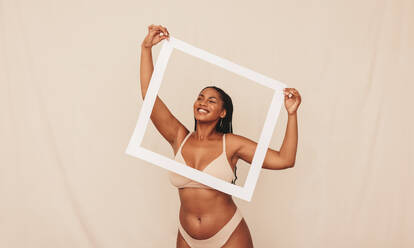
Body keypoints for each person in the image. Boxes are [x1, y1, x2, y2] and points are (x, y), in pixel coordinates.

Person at [140, 24, 301, 248]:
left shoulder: (232, 144)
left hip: (229, 235)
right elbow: (149, 97)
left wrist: (291, 115)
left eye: (211, 100)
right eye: (200, 97)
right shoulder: (179, 137)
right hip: (186, 236)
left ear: (222, 112)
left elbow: (285, 160)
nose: (203, 102)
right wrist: (146, 49)